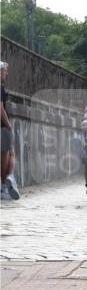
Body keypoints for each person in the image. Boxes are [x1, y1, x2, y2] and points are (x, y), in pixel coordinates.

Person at [1, 61, 19, 200]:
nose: (7, 73)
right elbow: (0, 109)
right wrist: (8, 125)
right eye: (5, 70)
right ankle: (6, 182)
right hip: (2, 126)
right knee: (8, 154)